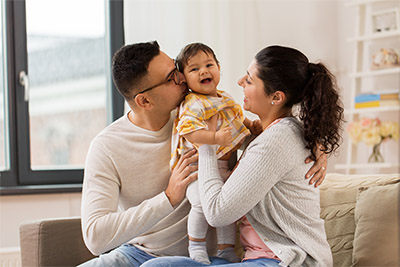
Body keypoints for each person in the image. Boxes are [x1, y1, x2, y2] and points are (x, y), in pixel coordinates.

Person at [79, 41, 328, 267]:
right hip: (137, 252)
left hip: (206, 257)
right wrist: (169, 197)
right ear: (144, 101)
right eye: (171, 78)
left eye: (177, 69)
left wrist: (316, 142)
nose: (183, 78)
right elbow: (95, 237)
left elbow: (272, 137)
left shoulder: (208, 115)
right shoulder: (107, 146)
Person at [141, 45, 344, 267]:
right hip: (260, 260)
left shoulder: (276, 140)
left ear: (276, 97)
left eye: (249, 80)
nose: (239, 82)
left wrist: (207, 144)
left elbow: (217, 214)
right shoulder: (273, 133)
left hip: (288, 261)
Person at [171, 43, 261, 264]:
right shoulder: (193, 103)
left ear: (219, 68)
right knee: (201, 204)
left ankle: (225, 249)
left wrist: (251, 126)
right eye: (194, 69)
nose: (203, 71)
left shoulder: (225, 98)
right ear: (184, 79)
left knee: (227, 208)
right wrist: (214, 139)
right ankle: (196, 245)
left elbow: (237, 121)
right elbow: (191, 133)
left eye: (209, 64)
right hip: (196, 171)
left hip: (222, 169)